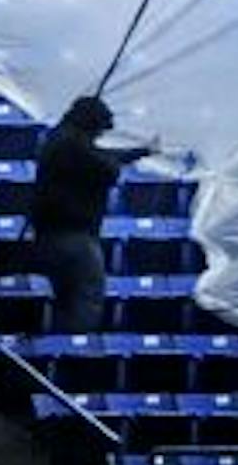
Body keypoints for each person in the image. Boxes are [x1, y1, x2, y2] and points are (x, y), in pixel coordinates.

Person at [29, 94, 151, 332]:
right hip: (74, 235)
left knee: (65, 296)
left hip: (49, 234)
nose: (99, 136)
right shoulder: (72, 146)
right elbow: (106, 169)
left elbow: (101, 157)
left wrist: (141, 151)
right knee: (88, 293)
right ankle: (75, 350)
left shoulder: (60, 139)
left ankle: (61, 345)